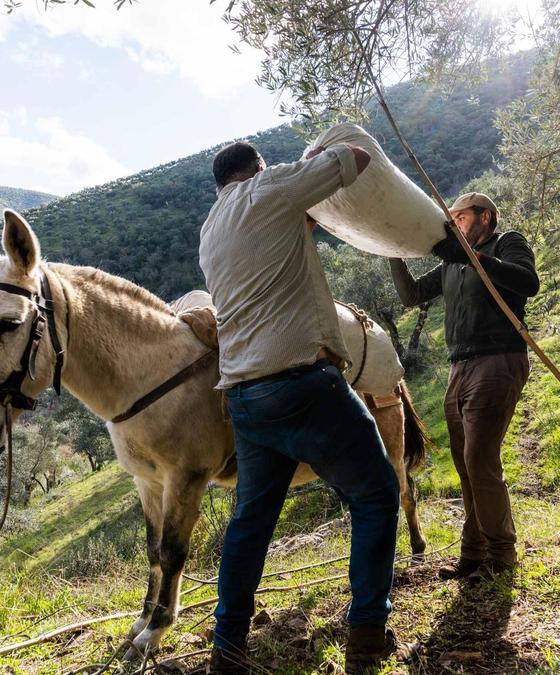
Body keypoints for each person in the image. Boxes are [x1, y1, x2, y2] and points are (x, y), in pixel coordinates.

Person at [198, 141, 403, 674]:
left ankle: (228, 647)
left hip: (244, 396)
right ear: (257, 169)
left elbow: (280, 243)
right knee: (378, 494)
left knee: (251, 522)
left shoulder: (212, 228)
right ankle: (366, 635)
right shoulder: (268, 188)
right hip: (300, 385)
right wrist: (318, 152)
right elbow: (354, 158)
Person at [388, 192, 539, 581]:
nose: (454, 222)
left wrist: (468, 257)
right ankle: (473, 554)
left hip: (498, 359)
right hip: (460, 368)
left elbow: (527, 282)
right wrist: (391, 250)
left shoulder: (506, 243)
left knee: (479, 459)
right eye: (451, 217)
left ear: (485, 217)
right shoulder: (453, 264)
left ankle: (501, 555)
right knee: (464, 462)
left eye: (461, 216)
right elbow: (412, 296)